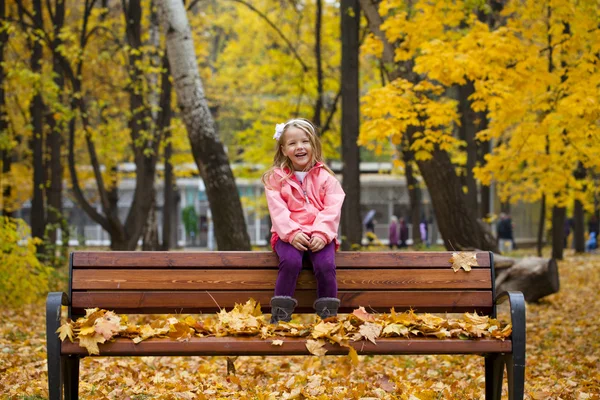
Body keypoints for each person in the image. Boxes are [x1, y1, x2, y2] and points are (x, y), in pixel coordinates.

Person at [262, 118, 345, 324]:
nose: (299, 147)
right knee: (290, 261)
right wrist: (291, 233)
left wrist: (321, 234)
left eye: (305, 141)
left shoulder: (326, 178)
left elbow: (331, 209)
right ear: (283, 150)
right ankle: (280, 317)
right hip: (288, 236)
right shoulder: (276, 179)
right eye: (292, 143)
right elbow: (278, 211)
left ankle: (328, 318)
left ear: (314, 146)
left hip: (320, 236)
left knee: (326, 265)